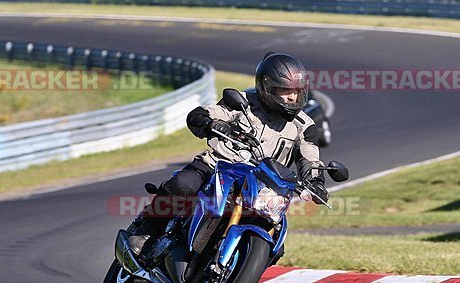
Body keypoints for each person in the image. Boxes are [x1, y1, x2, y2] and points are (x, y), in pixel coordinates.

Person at [128, 52, 329, 255]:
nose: (292, 97)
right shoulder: (242, 102)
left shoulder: (305, 126)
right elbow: (205, 113)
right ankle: (146, 228)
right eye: (285, 90)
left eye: (296, 91)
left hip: (263, 188)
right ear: (267, 87)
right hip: (217, 166)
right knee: (182, 185)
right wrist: (210, 123)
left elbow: (310, 158)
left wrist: (316, 183)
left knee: (276, 248)